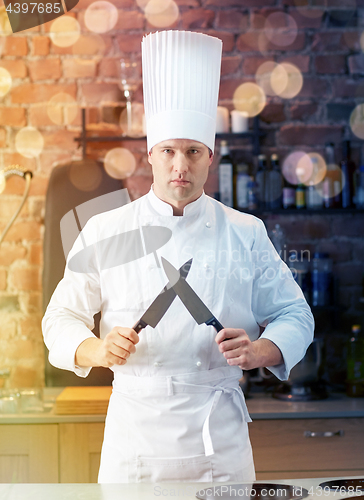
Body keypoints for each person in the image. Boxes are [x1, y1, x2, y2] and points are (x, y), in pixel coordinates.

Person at [42, 30, 314, 483]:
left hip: (219, 448)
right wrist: (97, 348)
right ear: (150, 155)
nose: (180, 166)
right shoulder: (105, 230)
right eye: (168, 151)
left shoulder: (245, 233)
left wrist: (257, 351)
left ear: (210, 156)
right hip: (135, 448)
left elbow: (296, 316)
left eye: (192, 152)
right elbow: (59, 319)